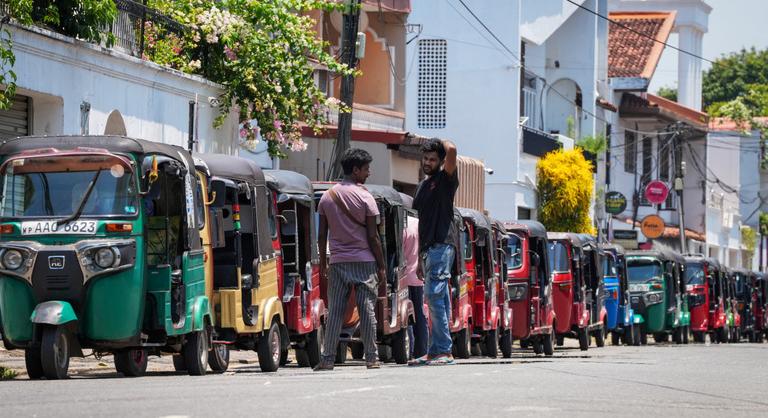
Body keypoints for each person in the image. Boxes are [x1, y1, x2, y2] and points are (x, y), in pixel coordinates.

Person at [314, 148, 387, 371]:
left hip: (338, 262)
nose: (368, 173)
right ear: (355, 170)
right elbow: (373, 237)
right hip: (365, 262)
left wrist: (324, 262)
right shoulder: (366, 197)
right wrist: (381, 266)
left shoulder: (327, 197)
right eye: (366, 169)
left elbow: (322, 235)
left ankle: (327, 359)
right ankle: (371, 358)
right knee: (367, 309)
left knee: (335, 311)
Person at [410, 138, 458, 366]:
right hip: (429, 249)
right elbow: (422, 223)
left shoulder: (445, 180)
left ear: (440, 161)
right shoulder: (422, 186)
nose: (428, 162)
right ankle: (435, 350)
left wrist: (439, 142)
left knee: (434, 296)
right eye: (425, 158)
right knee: (439, 300)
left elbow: (452, 149)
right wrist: (420, 257)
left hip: (442, 244)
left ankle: (444, 351)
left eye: (432, 159)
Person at [402, 212, 428, 359]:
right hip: (418, 278)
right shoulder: (419, 224)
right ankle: (422, 350)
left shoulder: (402, 226)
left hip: (404, 278)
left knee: (407, 315)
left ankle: (410, 350)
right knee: (419, 314)